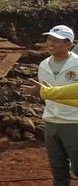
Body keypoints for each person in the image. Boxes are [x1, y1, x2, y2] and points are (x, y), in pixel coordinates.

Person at [34, 25, 78, 186]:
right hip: (51, 122)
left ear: (69, 44)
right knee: (58, 171)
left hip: (74, 122)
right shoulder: (43, 65)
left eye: (56, 41)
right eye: (49, 39)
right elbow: (44, 96)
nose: (50, 43)